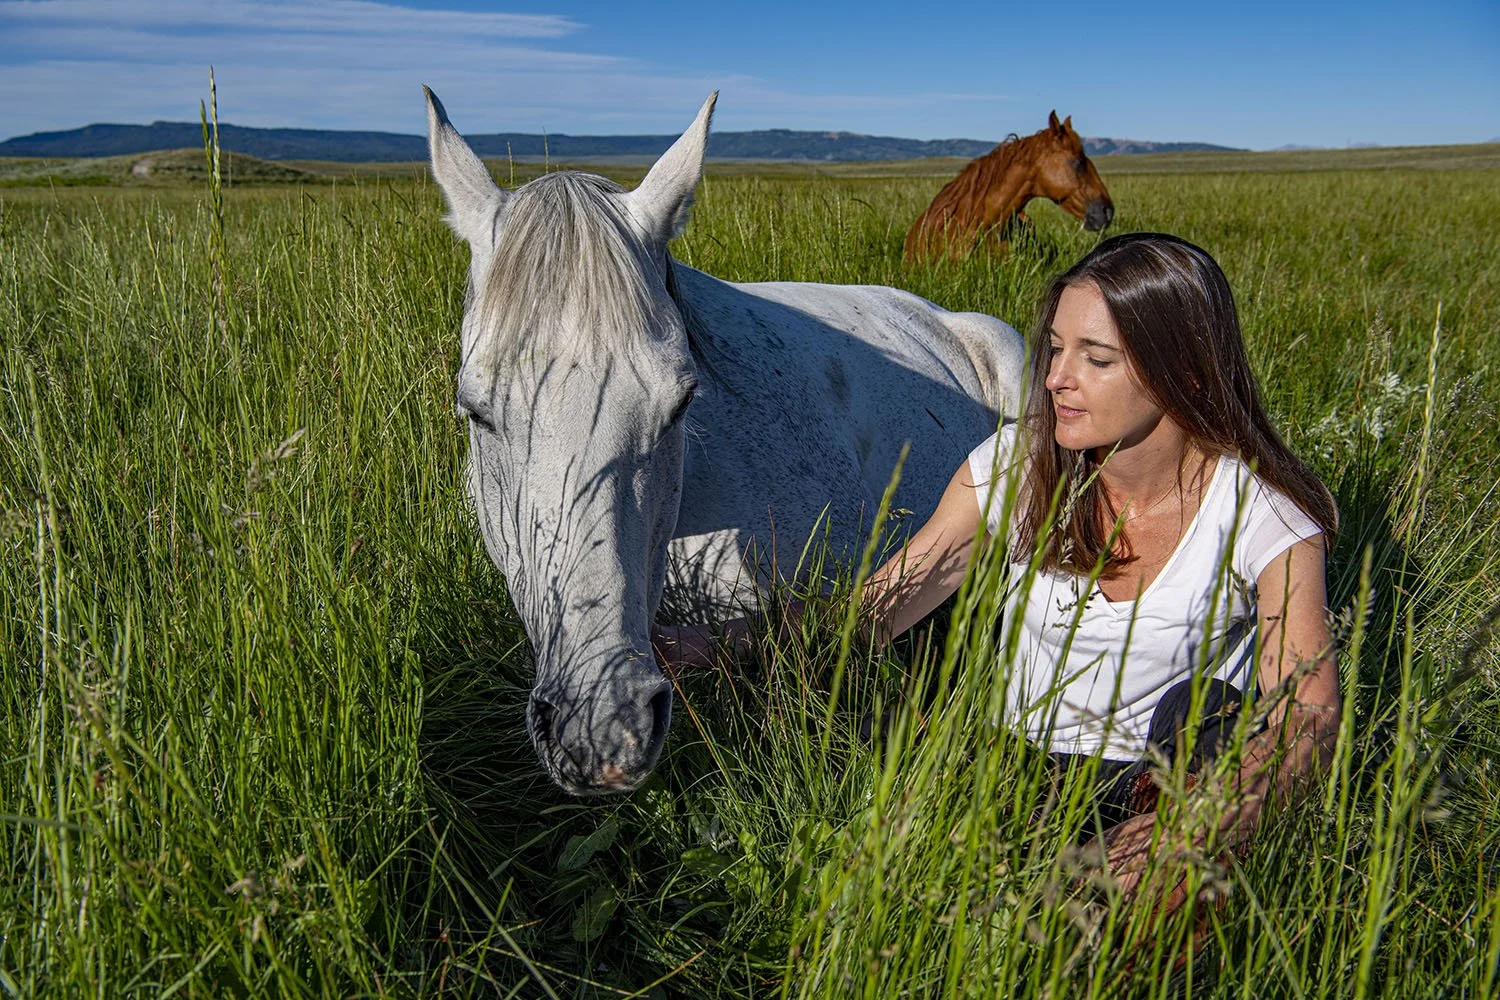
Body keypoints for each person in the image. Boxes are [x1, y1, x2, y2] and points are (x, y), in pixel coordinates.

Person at [653, 232, 1340, 907]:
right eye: (1057, 349)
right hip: (1015, 762)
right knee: (901, 870)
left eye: (1095, 359)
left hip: (1163, 777)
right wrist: (721, 644)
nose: (1055, 380)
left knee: (1208, 716)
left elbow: (1307, 713)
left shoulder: (1261, 514)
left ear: (1184, 372)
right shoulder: (1017, 465)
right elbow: (880, 605)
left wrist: (1194, 823)